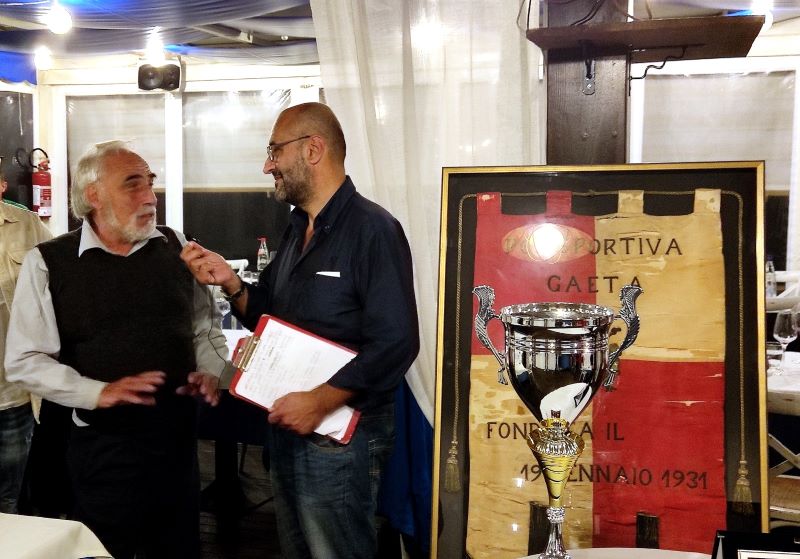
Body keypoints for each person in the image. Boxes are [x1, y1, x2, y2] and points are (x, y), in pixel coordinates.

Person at [181, 102, 420, 559]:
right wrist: (230, 284)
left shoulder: (374, 230)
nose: (267, 165)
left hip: (341, 439)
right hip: (288, 428)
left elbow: (397, 342)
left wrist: (320, 401)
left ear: (313, 150)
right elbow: (268, 313)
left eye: (275, 151)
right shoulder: (295, 230)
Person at [4, 140, 228, 559]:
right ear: (94, 194)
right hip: (101, 452)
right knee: (105, 550)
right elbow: (24, 361)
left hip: (176, 446)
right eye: (132, 184)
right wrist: (98, 392)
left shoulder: (177, 245)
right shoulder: (49, 262)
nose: (150, 197)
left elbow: (204, 327)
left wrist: (212, 370)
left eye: (150, 183)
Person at [0, 171, 52, 513]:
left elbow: (61, 275)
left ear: (2, 185)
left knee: (9, 496)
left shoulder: (27, 225)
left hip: (12, 391)